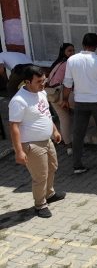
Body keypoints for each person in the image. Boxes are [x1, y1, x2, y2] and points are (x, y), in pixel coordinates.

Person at [9, 65, 65, 218]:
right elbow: (14, 127)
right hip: (32, 144)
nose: (43, 84)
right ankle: (40, 205)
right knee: (40, 176)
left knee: (52, 167)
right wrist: (19, 151)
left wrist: (54, 130)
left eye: (44, 80)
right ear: (27, 82)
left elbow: (45, 114)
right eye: (39, 81)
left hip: (46, 141)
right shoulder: (19, 101)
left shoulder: (40, 93)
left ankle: (49, 194)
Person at [61, 33, 97, 174]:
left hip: (80, 102)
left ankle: (77, 165)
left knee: (78, 133)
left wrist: (65, 100)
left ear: (82, 45)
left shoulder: (72, 61)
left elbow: (67, 83)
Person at [47, 43, 75, 155]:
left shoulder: (56, 64)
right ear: (64, 52)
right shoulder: (68, 63)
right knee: (85, 111)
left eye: (73, 50)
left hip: (52, 95)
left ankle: (69, 148)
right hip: (63, 94)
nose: (73, 53)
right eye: (70, 51)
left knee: (64, 121)